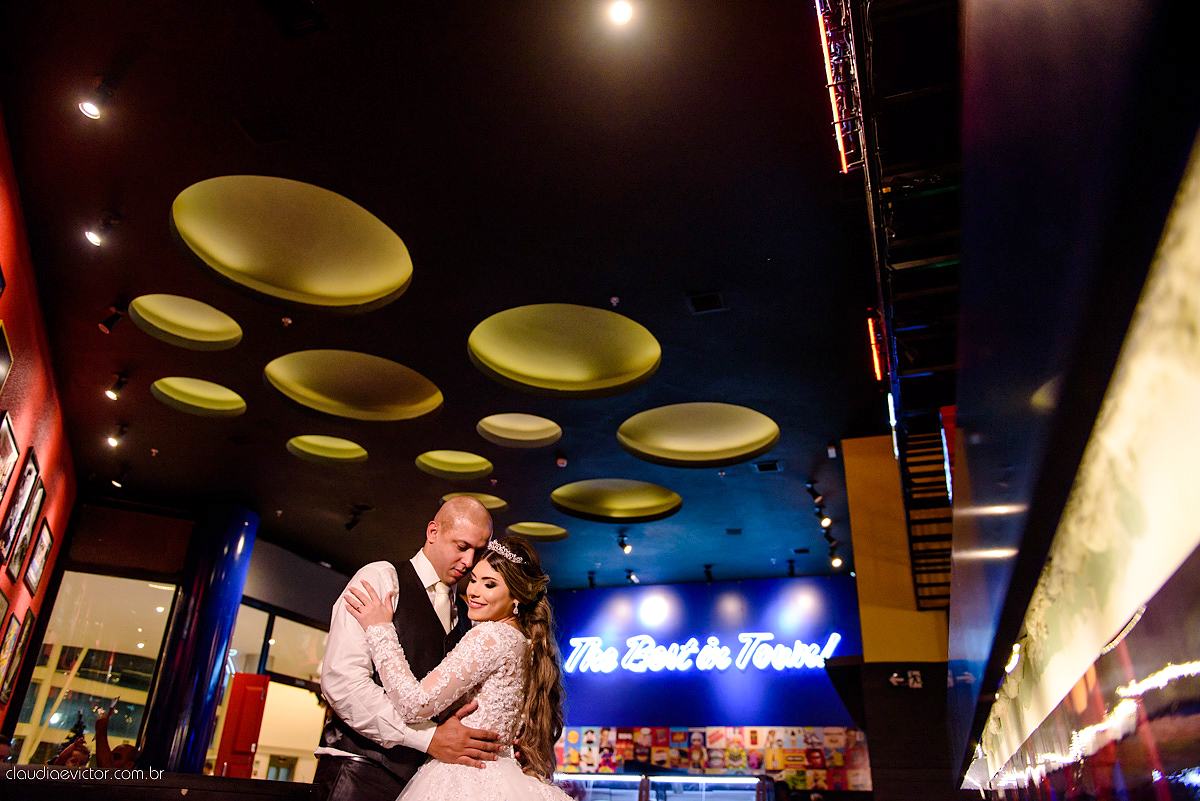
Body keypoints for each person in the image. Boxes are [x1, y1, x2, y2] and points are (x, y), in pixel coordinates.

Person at [344, 534, 572, 801]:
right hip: (499, 773)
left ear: (517, 597)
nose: (474, 591)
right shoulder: (525, 642)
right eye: (474, 579)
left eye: (489, 585)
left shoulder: (489, 636)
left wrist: (380, 629)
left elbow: (414, 704)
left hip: (465, 776)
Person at [315, 496, 502, 801]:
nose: (470, 562)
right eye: (462, 546)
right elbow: (343, 683)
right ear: (432, 532)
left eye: (479, 551)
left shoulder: (466, 615)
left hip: (422, 784)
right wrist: (428, 738)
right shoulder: (380, 578)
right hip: (359, 772)